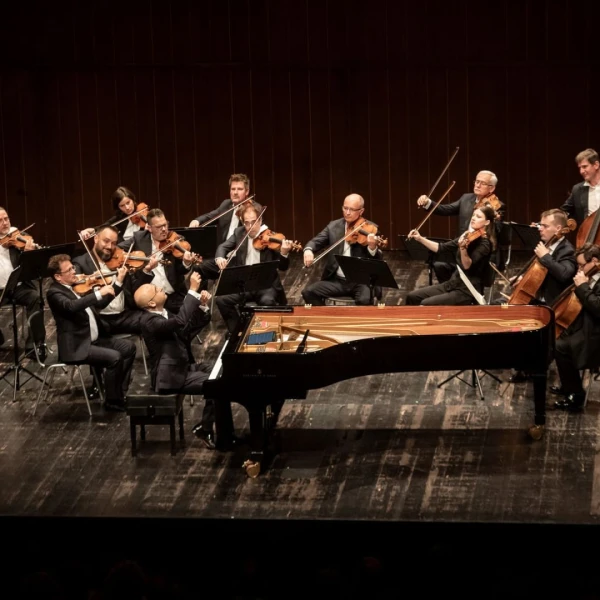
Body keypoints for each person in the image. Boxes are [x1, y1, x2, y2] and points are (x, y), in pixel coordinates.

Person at [134, 272, 216, 448]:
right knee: (218, 385)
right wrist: (192, 290)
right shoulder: (149, 322)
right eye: (156, 289)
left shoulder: (164, 313)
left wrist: (202, 307)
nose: (161, 288)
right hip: (170, 376)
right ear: (151, 303)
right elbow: (180, 321)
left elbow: (186, 330)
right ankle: (207, 428)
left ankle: (208, 426)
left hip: (182, 367)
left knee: (220, 372)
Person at [46, 254, 136, 411]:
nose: (74, 271)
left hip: (93, 339)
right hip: (77, 346)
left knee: (128, 348)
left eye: (73, 267)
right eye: (69, 270)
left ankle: (118, 392)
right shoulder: (54, 293)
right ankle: (112, 401)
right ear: (58, 276)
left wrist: (118, 282)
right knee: (114, 358)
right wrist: (98, 293)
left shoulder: (77, 286)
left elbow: (99, 304)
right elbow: (72, 306)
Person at [214, 200, 291, 333]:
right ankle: (238, 332)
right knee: (221, 300)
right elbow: (223, 247)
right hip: (244, 285)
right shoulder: (239, 233)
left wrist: (284, 253)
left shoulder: (270, 238)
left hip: (266, 286)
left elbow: (283, 267)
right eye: (247, 223)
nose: (250, 227)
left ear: (260, 220)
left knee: (267, 301)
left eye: (254, 222)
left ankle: (267, 333)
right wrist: (220, 257)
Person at [416, 170, 505, 282]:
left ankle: (460, 290)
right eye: (477, 181)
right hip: (461, 247)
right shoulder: (466, 198)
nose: (477, 185)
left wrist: (494, 217)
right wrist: (428, 202)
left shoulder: (497, 206)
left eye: (482, 183)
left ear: (491, 188)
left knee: (465, 271)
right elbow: (445, 209)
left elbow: (496, 232)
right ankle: (450, 290)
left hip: (480, 253)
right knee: (439, 265)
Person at [301, 193, 384, 306]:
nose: (347, 212)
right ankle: (326, 316)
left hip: (361, 282)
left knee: (364, 300)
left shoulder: (371, 229)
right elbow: (316, 241)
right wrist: (308, 250)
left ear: (361, 211)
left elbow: (377, 261)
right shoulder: (333, 226)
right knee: (308, 292)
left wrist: (372, 247)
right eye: (345, 208)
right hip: (337, 280)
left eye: (352, 209)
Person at [73, 225, 157, 335]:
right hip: (102, 320)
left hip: (125, 315)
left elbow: (134, 289)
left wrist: (147, 270)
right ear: (96, 238)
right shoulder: (80, 263)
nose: (110, 246)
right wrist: (118, 283)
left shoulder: (120, 261)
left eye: (113, 243)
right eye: (106, 241)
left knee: (158, 321)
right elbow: (86, 301)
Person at [405, 205, 496, 305]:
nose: (473, 218)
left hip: (467, 290)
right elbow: (441, 248)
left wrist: (463, 249)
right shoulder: (467, 236)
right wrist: (420, 238)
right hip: (453, 283)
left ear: (487, 222)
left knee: (426, 303)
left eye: (478, 217)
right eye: (473, 215)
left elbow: (467, 265)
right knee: (412, 297)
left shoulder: (485, 243)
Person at [119, 208, 199, 313]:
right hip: (151, 299)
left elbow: (180, 271)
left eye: (165, 225)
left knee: (199, 314)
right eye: (158, 227)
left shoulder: (176, 240)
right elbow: (117, 249)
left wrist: (186, 263)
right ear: (149, 228)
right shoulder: (139, 239)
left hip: (174, 296)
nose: (164, 229)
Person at [552, 243, 600, 412]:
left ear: (595, 261)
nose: (579, 269)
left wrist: (583, 287)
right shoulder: (590, 275)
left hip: (595, 332)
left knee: (560, 347)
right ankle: (568, 384)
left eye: (582, 265)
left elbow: (598, 308)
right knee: (555, 337)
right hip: (585, 324)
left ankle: (576, 394)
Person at [189, 173, 251, 284]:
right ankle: (198, 295)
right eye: (233, 189)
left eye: (239, 189)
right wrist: (197, 221)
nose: (235, 192)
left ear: (247, 192)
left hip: (240, 260)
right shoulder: (226, 205)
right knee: (198, 268)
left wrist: (243, 216)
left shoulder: (252, 210)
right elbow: (210, 216)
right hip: (222, 257)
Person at [0, 207, 46, 356]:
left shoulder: (16, 235)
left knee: (35, 298)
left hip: (17, 287)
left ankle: (34, 346)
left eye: (6, 218)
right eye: (0, 221)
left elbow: (31, 266)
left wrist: (28, 253)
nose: (5, 223)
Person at [80, 186, 149, 244]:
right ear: (118, 207)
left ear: (132, 200)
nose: (127, 208)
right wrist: (88, 231)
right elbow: (103, 227)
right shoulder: (118, 219)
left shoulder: (143, 211)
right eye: (122, 205)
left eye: (128, 202)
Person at [560, 148, 600, 227]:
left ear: (596, 165)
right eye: (580, 168)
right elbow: (563, 212)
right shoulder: (577, 190)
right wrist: (542, 224)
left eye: (584, 166)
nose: (581, 171)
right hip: (588, 234)